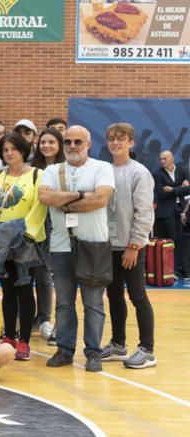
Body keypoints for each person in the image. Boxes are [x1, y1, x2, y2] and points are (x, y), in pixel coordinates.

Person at [38, 125, 115, 372]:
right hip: (61, 247)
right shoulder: (52, 169)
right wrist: (83, 196)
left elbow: (101, 199)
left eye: (78, 142)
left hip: (94, 244)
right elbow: (45, 198)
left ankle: (93, 352)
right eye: (68, 142)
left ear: (88, 144)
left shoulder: (102, 168)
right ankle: (65, 350)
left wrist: (67, 201)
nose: (72, 146)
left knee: (93, 303)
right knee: (63, 303)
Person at [0, 132, 47, 361]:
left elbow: (39, 208)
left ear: (23, 151)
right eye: (5, 150)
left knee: (25, 290)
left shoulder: (38, 175)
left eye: (13, 149)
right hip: (1, 244)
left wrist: (25, 234)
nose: (9, 153)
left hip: (26, 242)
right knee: (8, 291)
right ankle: (9, 336)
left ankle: (25, 341)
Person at [103, 123, 157, 369]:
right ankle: (118, 344)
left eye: (121, 139)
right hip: (109, 246)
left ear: (131, 142)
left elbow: (145, 212)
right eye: (112, 139)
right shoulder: (105, 170)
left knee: (137, 296)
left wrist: (134, 245)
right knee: (114, 296)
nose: (116, 143)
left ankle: (147, 349)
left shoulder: (139, 172)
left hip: (131, 246)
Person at [32, 128, 65, 340]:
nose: (46, 146)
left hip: (60, 228)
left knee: (57, 278)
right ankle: (36, 319)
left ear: (59, 145)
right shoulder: (32, 169)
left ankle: (50, 322)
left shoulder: (66, 169)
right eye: (43, 142)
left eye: (51, 142)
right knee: (36, 274)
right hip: (36, 227)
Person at [153, 150, 190, 278]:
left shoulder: (181, 171)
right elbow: (161, 193)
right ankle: (171, 270)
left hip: (182, 210)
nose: (162, 161)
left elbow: (188, 188)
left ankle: (182, 270)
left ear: (172, 158)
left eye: (165, 158)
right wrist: (180, 188)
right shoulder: (158, 174)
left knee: (181, 240)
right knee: (172, 240)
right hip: (167, 212)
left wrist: (172, 189)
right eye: (161, 159)